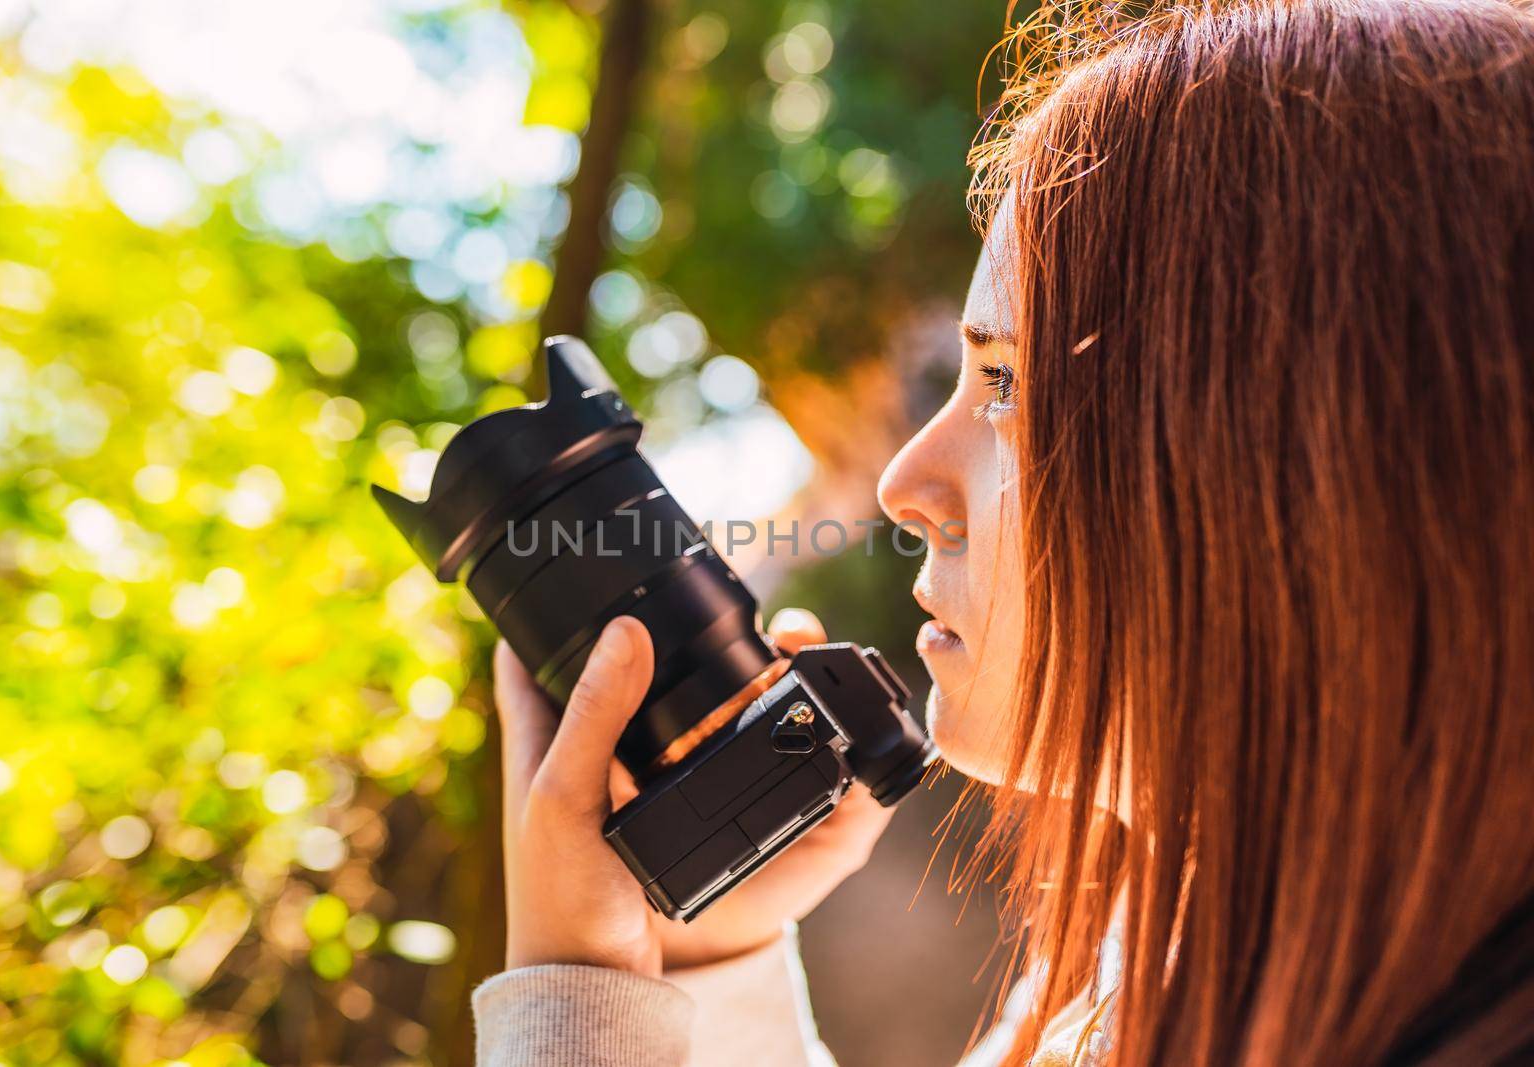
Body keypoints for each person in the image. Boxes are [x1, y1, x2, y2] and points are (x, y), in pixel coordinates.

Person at [472, 0, 1534, 1063]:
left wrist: (577, 1008)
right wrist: (703, 959)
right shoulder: (1138, 981)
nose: (903, 482)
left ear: (1318, 452)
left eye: (1008, 383)